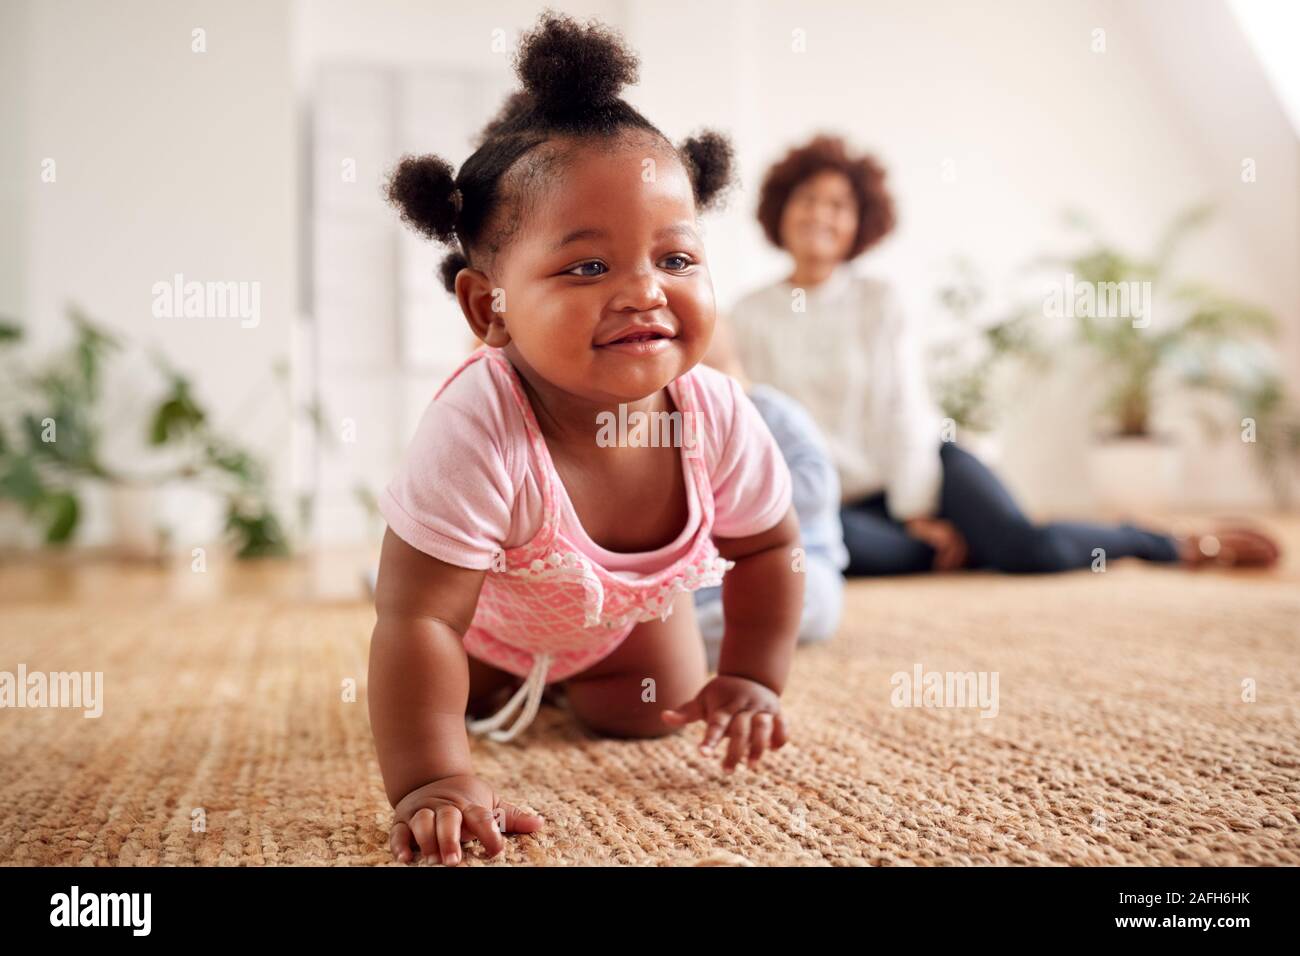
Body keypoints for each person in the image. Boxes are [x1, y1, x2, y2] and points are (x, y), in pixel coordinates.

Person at [369, 14, 805, 866]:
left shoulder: (715, 413)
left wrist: (752, 674)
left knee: (648, 712)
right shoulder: (477, 425)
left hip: (624, 624)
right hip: (484, 624)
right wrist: (431, 780)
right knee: (447, 695)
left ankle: (586, 680)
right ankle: (451, 625)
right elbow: (420, 616)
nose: (645, 291)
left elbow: (769, 550)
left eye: (676, 261)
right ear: (487, 307)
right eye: (588, 267)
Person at [728, 134, 1280, 576]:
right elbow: (757, 426)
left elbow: (904, 409)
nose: (820, 215)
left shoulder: (879, 300)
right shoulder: (747, 314)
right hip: (841, 507)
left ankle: (1168, 542)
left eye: (839, 205)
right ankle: (957, 547)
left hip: (926, 471)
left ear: (859, 224)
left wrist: (917, 510)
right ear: (781, 210)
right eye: (808, 200)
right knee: (815, 553)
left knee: (1024, 549)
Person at [693, 319, 847, 668]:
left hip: (794, 559)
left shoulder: (775, 413)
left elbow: (817, 485)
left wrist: (732, 500)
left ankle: (682, 649)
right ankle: (640, 649)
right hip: (705, 574)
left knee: (813, 602)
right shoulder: (672, 426)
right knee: (650, 601)